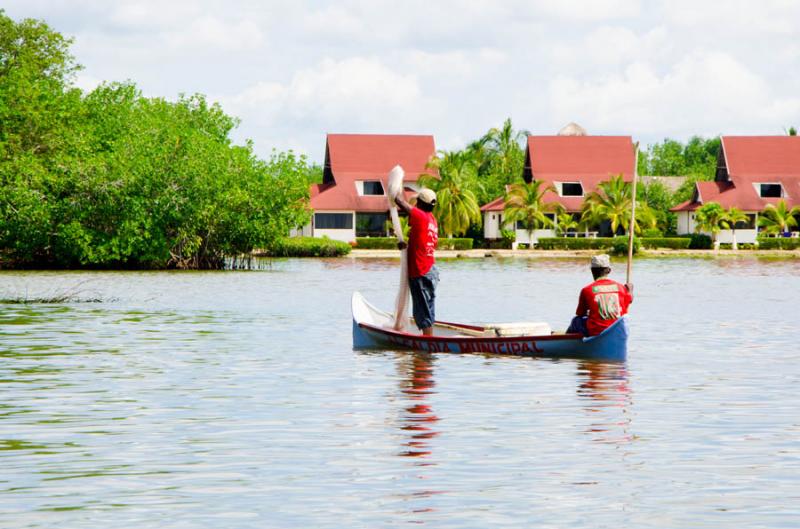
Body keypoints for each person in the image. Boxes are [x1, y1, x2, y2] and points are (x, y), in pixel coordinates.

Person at [394, 188, 439, 336]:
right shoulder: (432, 220)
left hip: (421, 270)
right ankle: (428, 337)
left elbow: (399, 201)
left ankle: (428, 342)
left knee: (423, 309)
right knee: (428, 307)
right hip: (430, 269)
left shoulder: (421, 216)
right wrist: (406, 245)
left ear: (419, 203)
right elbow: (422, 242)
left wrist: (394, 187)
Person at [567, 254, 633, 337]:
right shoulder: (621, 288)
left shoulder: (586, 290)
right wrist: (630, 290)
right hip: (618, 330)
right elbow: (629, 300)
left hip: (596, 331)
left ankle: (568, 344)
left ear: (592, 270)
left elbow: (580, 313)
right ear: (609, 270)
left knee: (576, 321)